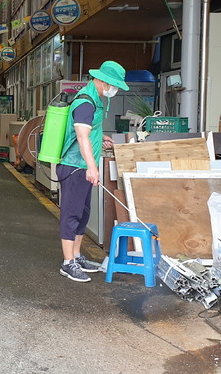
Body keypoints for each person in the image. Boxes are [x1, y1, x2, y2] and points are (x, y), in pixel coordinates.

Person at [57, 60, 129, 282]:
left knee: (82, 213)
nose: (114, 89)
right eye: (114, 85)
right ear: (102, 80)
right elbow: (81, 136)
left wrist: (101, 137)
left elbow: (90, 131)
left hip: (82, 165)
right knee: (71, 214)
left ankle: (77, 257)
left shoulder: (95, 100)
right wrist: (91, 166)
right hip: (75, 166)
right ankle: (68, 262)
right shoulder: (86, 102)